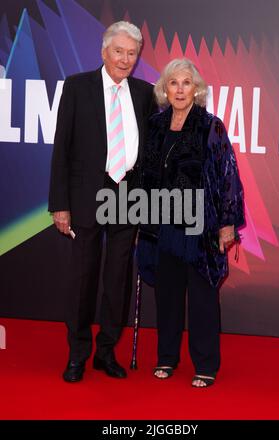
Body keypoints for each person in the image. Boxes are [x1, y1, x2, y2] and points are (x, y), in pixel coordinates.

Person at [48, 21, 157, 382]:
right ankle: (78, 353)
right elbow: (61, 147)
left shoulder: (144, 93)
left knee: (117, 280)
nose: (125, 59)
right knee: (84, 278)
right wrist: (59, 204)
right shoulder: (78, 86)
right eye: (119, 51)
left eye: (132, 53)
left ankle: (106, 351)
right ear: (104, 51)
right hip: (83, 196)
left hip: (127, 196)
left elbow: (150, 154)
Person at [137, 58, 244, 388]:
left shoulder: (210, 126)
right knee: (167, 296)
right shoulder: (155, 125)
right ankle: (167, 358)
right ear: (164, 89)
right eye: (173, 83)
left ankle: (206, 364)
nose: (180, 89)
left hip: (200, 226)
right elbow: (143, 173)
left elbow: (227, 176)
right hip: (163, 225)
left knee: (202, 298)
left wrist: (227, 224)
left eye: (186, 83)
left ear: (196, 89)